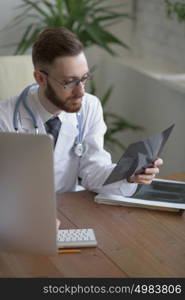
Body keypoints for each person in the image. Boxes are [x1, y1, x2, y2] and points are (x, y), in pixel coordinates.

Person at [0, 27, 162, 227]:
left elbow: (93, 170)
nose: (81, 92)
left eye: (84, 78)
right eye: (69, 82)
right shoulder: (5, 118)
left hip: (71, 213)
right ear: (41, 78)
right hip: (19, 222)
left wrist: (128, 174)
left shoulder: (89, 106)